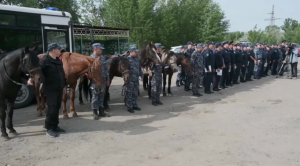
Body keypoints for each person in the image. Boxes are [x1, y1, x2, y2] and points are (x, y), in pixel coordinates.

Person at [27, 43, 66, 138]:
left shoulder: (58, 60)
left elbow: (62, 74)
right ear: (53, 50)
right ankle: (49, 129)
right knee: (52, 109)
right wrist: (30, 79)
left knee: (57, 107)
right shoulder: (44, 61)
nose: (60, 50)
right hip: (50, 89)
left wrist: (64, 86)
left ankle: (55, 125)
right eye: (58, 49)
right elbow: (36, 71)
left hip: (59, 88)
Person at [90, 43, 110, 120]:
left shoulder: (102, 58)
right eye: (100, 49)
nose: (101, 50)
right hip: (95, 81)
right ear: (95, 49)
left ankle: (101, 111)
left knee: (102, 96)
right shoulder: (90, 58)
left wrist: (108, 79)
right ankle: (95, 113)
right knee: (95, 96)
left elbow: (106, 69)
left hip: (104, 80)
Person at [126, 48, 144, 113]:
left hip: (136, 79)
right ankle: (129, 106)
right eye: (135, 52)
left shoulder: (137, 59)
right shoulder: (127, 59)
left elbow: (139, 68)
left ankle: (134, 105)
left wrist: (141, 75)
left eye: (137, 52)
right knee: (129, 93)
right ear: (131, 52)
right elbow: (125, 70)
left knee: (135, 93)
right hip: (130, 79)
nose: (137, 53)